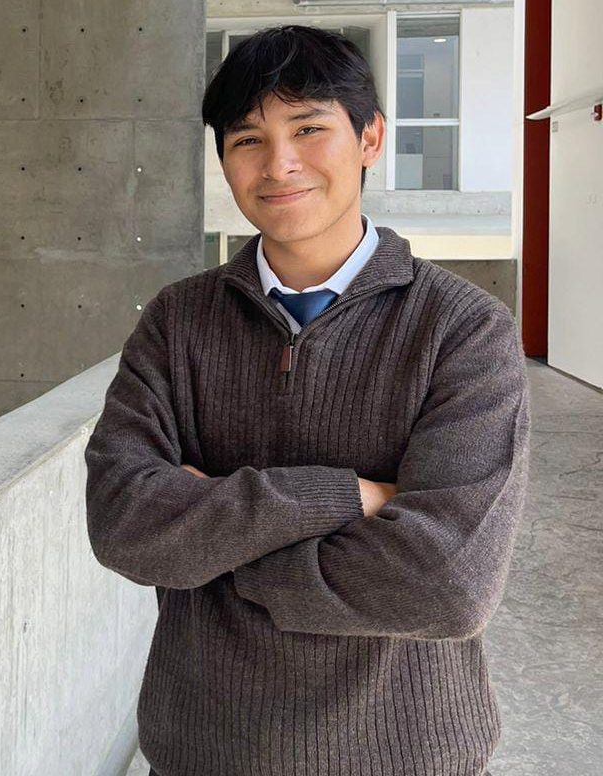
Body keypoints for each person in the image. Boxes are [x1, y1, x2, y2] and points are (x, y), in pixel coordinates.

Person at [84, 26, 526, 776]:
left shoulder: (462, 328)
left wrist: (218, 550)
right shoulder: (177, 321)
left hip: (406, 755)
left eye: (309, 128)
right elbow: (125, 524)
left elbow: (447, 584)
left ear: (370, 138)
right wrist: (347, 497)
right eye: (247, 140)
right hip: (204, 750)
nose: (279, 163)